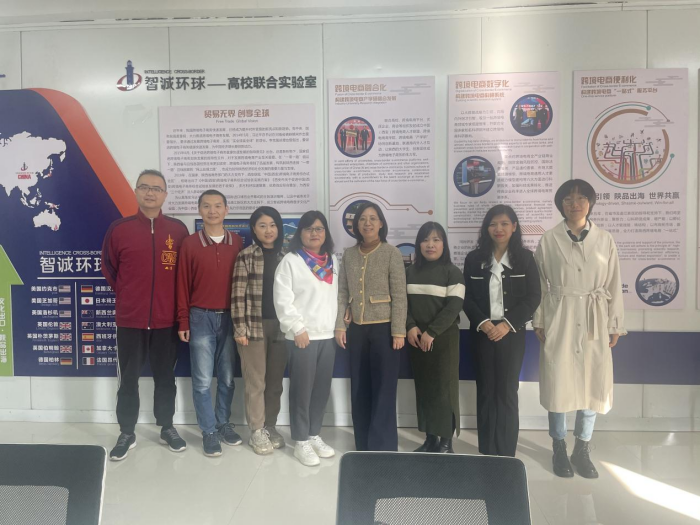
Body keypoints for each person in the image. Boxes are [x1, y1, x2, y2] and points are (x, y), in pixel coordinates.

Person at [533, 179, 626, 479]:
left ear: (590, 203)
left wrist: (615, 323)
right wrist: (539, 319)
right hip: (559, 315)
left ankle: (582, 448)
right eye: (568, 199)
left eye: (581, 198)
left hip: (594, 317)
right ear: (560, 204)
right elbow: (539, 284)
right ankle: (559, 446)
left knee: (593, 383)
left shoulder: (605, 239)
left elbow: (614, 284)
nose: (574, 204)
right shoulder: (549, 239)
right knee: (558, 383)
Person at [101, 169, 189, 461]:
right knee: (128, 379)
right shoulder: (119, 229)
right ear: (136, 191)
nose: (150, 193)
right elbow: (109, 267)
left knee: (165, 378)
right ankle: (127, 432)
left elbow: (184, 274)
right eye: (144, 187)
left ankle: (167, 427)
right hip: (130, 321)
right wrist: (128, 294)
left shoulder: (178, 230)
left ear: (165, 195)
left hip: (166, 321)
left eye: (156, 188)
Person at [462, 205, 541, 457]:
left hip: (512, 333)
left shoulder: (525, 258)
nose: (499, 228)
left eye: (505, 223)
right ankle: (487, 450)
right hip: (482, 332)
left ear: (514, 227)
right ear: (487, 228)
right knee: (486, 389)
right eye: (493, 224)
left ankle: (506, 452)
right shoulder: (474, 259)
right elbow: (466, 297)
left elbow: (533, 296)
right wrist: (483, 322)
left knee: (507, 390)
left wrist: (507, 324)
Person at [335, 202, 407, 452]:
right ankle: (363, 445)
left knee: (384, 389)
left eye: (373, 218)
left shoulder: (391, 253)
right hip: (356, 329)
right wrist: (340, 325)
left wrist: (398, 330)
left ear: (381, 223)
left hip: (384, 330)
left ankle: (383, 447)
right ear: (356, 225)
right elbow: (342, 291)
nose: (367, 223)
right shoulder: (349, 254)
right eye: (363, 219)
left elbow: (400, 294)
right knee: (359, 387)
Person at [176, 190, 243, 457]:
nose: (212, 211)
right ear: (199, 210)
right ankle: (209, 430)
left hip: (230, 317)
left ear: (227, 210)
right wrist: (183, 319)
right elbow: (182, 284)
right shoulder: (190, 243)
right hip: (200, 317)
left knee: (227, 378)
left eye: (217, 206)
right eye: (206, 206)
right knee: (202, 380)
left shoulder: (237, 242)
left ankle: (223, 423)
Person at [273, 211, 338, 467]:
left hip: (327, 335)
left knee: (321, 390)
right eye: (309, 229)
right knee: (302, 390)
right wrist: (297, 328)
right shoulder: (291, 261)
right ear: (300, 233)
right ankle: (300, 440)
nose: (314, 233)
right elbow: (282, 299)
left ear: (325, 233)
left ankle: (313, 434)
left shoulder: (332, 261)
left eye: (319, 228)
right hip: (302, 336)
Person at [232, 206, 288, 455]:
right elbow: (237, 295)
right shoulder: (246, 256)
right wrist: (240, 328)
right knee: (256, 381)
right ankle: (256, 430)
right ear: (254, 229)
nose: (268, 230)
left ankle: (270, 426)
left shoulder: (288, 256)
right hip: (253, 326)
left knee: (275, 382)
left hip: (282, 327)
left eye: (273, 225)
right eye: (262, 225)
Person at [406, 222, 465, 454]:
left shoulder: (452, 272)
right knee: (425, 389)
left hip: (443, 339)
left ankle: (446, 443)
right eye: (425, 240)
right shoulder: (410, 272)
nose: (430, 245)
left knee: (444, 391)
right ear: (419, 244)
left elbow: (454, 307)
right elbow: (402, 303)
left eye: (436, 240)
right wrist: (410, 326)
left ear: (444, 244)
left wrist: (432, 332)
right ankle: (430, 439)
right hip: (416, 339)